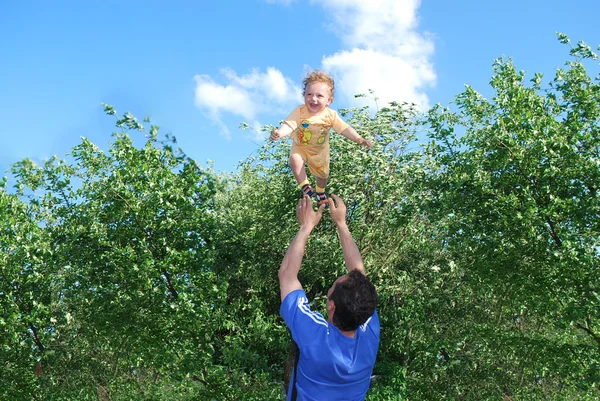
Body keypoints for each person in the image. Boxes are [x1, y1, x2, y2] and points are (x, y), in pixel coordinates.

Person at [279, 194, 380, 400]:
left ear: (331, 306)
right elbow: (359, 276)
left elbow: (287, 275)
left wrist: (306, 227)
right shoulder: (369, 333)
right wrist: (341, 224)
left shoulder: (315, 337)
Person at [270, 71, 373, 206]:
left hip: (320, 152)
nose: (313, 99)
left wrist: (359, 139)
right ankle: (305, 186)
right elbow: (290, 124)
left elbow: (344, 128)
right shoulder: (299, 112)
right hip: (301, 146)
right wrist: (279, 133)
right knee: (295, 159)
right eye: (309, 95)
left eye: (319, 96)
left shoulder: (331, 115)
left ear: (329, 100)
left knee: (323, 175)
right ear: (304, 96)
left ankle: (320, 191)